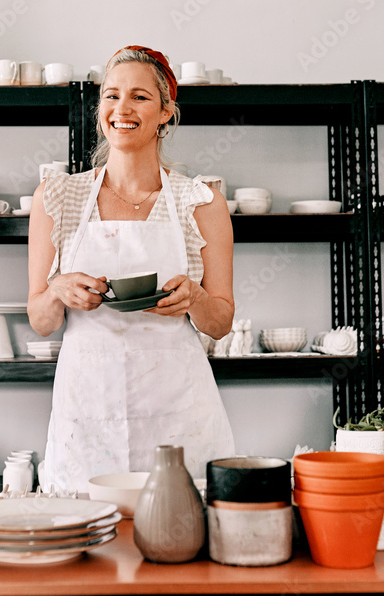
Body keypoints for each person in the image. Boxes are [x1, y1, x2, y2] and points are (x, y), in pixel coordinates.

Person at [27, 45, 236, 492]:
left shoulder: (201, 201)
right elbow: (40, 320)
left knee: (177, 537)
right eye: (110, 95)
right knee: (90, 539)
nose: (121, 109)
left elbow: (220, 323)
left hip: (177, 411)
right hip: (88, 408)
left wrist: (196, 299)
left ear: (166, 113)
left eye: (139, 97)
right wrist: (58, 290)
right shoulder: (58, 197)